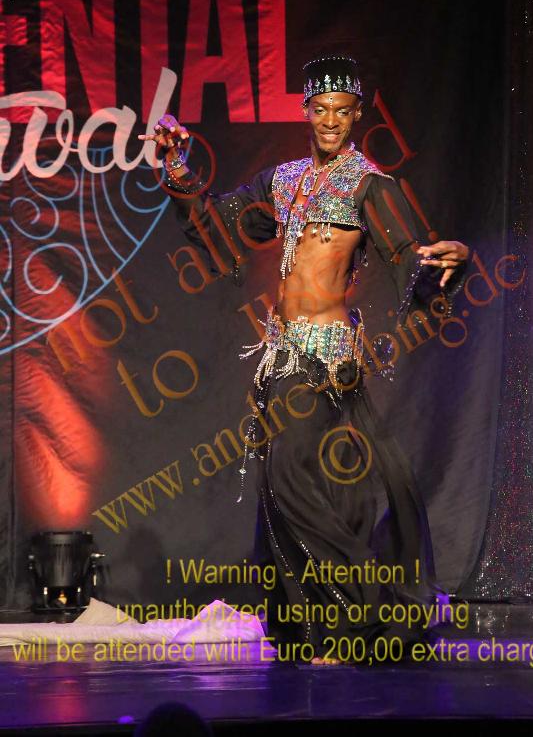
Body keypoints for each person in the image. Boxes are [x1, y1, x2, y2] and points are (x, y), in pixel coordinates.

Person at [139, 56, 469, 665]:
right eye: (321, 110)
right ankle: (317, 632)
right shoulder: (284, 181)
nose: (331, 122)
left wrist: (446, 264)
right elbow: (218, 227)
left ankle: (363, 615)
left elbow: (409, 256)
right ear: (307, 112)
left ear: (357, 115)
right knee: (295, 486)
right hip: (279, 354)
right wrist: (179, 166)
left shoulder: (370, 184)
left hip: (327, 355)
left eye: (342, 112)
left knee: (295, 477)